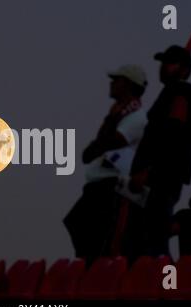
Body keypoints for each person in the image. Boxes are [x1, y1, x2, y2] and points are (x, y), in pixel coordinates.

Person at [128, 32, 191, 259]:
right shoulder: (174, 93)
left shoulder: (180, 93)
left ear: (184, 69)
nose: (164, 67)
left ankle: (162, 285)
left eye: (171, 62)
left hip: (161, 175)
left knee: (154, 235)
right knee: (150, 233)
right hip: (164, 175)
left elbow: (171, 136)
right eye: (163, 62)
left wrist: (149, 169)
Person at [63, 65, 148, 266]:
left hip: (114, 187)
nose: (111, 83)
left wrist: (103, 135)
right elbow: (89, 153)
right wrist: (107, 126)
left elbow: (110, 142)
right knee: (77, 223)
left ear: (127, 84)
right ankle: (91, 268)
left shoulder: (137, 118)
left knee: (104, 237)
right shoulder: (119, 116)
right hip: (99, 185)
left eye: (116, 80)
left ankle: (98, 272)